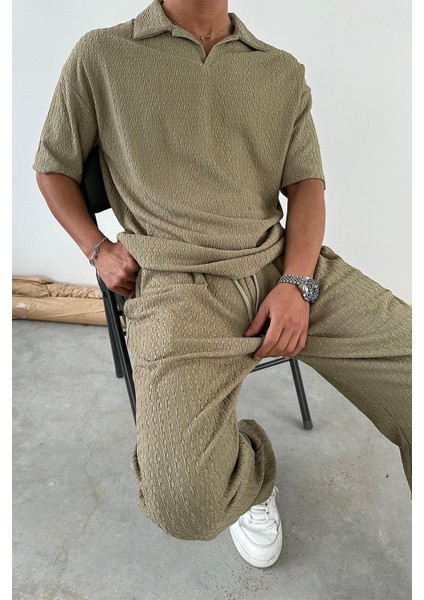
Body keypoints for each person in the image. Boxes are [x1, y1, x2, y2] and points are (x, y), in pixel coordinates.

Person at [33, 0, 411, 569]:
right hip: (174, 282)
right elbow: (53, 166)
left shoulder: (280, 70)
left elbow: (306, 185)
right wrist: (97, 249)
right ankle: (251, 477)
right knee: (184, 502)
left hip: (282, 266)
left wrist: (297, 283)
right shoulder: (102, 54)